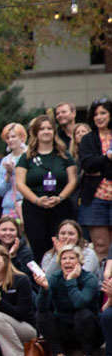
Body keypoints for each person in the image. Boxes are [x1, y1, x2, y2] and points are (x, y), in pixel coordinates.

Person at [15, 115, 77, 262]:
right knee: (38, 250)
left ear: (54, 131)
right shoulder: (26, 157)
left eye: (49, 128)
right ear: (35, 132)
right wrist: (37, 200)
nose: (46, 131)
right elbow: (20, 183)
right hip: (34, 208)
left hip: (61, 207)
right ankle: (40, 282)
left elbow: (73, 180)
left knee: (62, 248)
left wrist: (60, 197)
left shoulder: (64, 155)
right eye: (42, 128)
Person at [35, 244, 101, 356]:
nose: (67, 261)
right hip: (64, 329)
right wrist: (44, 289)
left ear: (80, 262)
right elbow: (41, 307)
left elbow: (79, 303)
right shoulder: (54, 278)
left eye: (72, 258)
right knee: (41, 315)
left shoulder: (89, 278)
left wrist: (71, 281)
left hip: (91, 332)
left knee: (83, 313)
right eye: (64, 259)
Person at [77, 98, 112, 261]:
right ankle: (103, 284)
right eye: (96, 114)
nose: (99, 117)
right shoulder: (88, 139)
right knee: (101, 245)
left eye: (103, 113)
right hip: (95, 198)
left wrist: (101, 168)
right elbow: (88, 165)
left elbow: (96, 166)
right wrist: (107, 158)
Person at [0, 216, 38, 292]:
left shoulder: (25, 251)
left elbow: (24, 277)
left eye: (12, 230)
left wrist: (12, 256)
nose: (8, 233)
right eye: (4, 230)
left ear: (17, 233)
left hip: (21, 289)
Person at [0, 123, 27, 219]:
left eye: (13, 136)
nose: (10, 140)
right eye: (7, 138)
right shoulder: (5, 160)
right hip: (9, 208)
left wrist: (15, 172)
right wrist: (8, 176)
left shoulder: (30, 156)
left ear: (22, 138)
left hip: (28, 205)